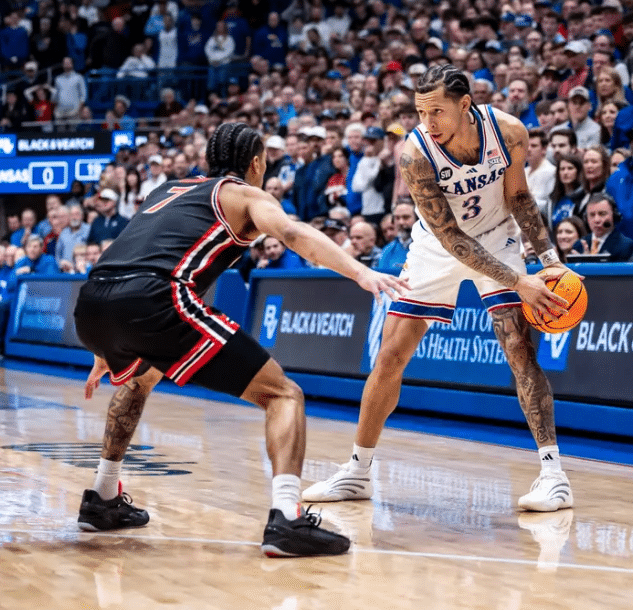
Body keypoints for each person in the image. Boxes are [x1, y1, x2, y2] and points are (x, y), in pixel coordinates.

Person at [71, 123, 408, 557]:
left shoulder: (166, 191)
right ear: (255, 163)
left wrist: (104, 345)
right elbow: (292, 234)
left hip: (94, 298)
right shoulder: (247, 195)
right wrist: (361, 272)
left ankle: (102, 498)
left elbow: (125, 251)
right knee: (284, 394)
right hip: (155, 297)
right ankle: (288, 518)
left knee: (140, 378)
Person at [302, 65, 576, 513]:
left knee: (519, 348)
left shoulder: (507, 132)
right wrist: (520, 282)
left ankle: (554, 476)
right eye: (420, 111)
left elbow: (520, 198)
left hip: (498, 237)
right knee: (391, 355)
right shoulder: (415, 154)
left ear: (465, 105)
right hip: (438, 245)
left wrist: (548, 261)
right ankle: (357, 470)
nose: (427, 122)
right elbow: (452, 239)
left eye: (436, 111)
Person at [580, 194, 633, 260]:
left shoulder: (625, 246)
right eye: (592, 215)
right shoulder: (579, 245)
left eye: (602, 214)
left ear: (614, 215)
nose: (597, 220)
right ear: (586, 218)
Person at [376, 200, 416, 270]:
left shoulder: (427, 246)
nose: (401, 222)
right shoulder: (387, 250)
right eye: (397, 218)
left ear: (417, 218)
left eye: (406, 217)